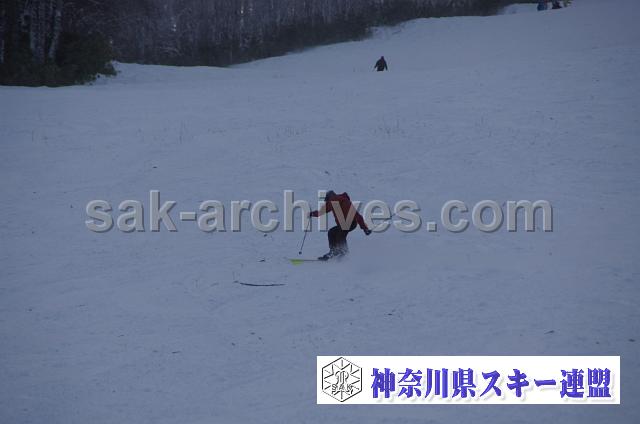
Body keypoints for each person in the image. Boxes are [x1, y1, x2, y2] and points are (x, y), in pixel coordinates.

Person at [310, 191, 371, 260]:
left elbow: (357, 215)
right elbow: (322, 211)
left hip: (351, 223)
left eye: (327, 201)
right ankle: (334, 251)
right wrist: (312, 214)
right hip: (342, 224)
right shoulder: (332, 203)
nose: (327, 203)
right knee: (332, 232)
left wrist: (365, 228)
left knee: (340, 234)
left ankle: (344, 253)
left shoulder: (344, 203)